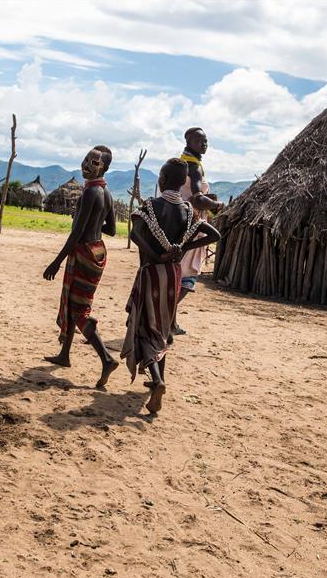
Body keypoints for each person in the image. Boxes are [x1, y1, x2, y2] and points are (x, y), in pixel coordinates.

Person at [122, 158, 221, 414]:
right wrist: (181, 249)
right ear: (182, 182)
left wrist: (157, 256)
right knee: (163, 328)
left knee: (146, 327)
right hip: (174, 275)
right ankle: (159, 383)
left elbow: (135, 234)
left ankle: (156, 381)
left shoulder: (152, 206)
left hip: (152, 273)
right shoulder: (188, 211)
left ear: (162, 180)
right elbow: (214, 235)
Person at [43, 146, 119, 388]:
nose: (86, 164)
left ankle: (106, 358)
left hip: (84, 252)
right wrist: (92, 222)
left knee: (78, 311)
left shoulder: (90, 193)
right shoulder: (106, 193)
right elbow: (112, 230)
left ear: (104, 168)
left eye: (93, 162)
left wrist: (57, 261)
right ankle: (64, 355)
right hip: (98, 249)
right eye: (86, 159)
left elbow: (76, 234)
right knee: (77, 304)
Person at [173, 127, 224, 336]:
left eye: (206, 141)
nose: (204, 144)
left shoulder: (184, 161)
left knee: (178, 273)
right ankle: (165, 314)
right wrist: (217, 204)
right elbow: (196, 198)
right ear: (188, 141)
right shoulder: (193, 167)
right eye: (199, 140)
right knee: (187, 275)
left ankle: (170, 320)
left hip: (179, 219)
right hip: (191, 223)